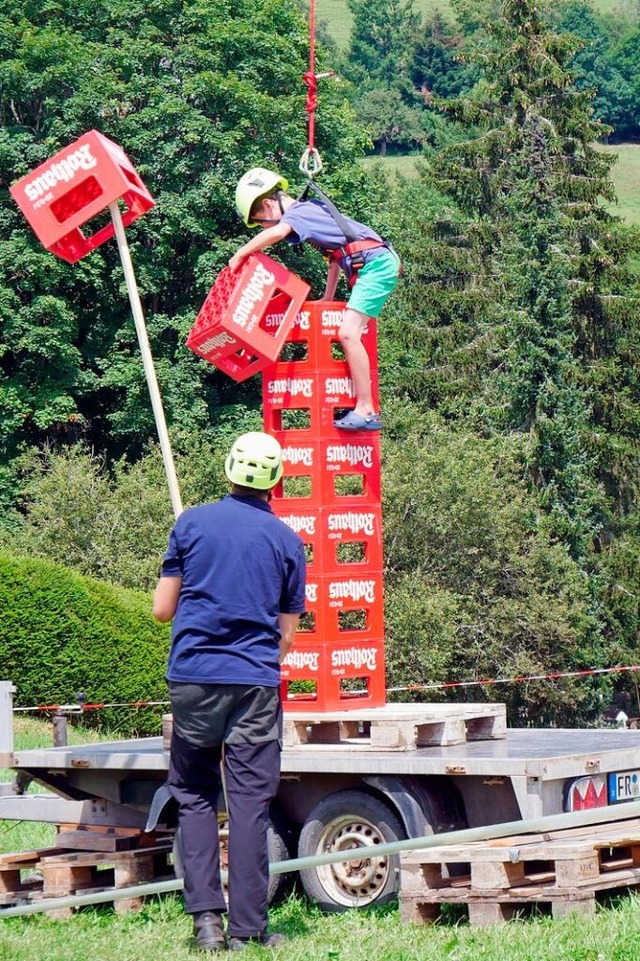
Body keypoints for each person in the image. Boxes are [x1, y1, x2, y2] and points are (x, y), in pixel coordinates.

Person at [153, 431, 306, 952]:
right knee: (248, 807)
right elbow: (286, 635)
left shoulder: (191, 524)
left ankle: (205, 926)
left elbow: (162, 610)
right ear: (276, 482)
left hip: (193, 678)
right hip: (254, 686)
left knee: (194, 797)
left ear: (228, 471)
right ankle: (248, 930)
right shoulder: (287, 542)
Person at [230, 167, 401, 432]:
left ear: (267, 204)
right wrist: (328, 297)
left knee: (348, 334)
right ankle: (360, 403)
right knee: (348, 332)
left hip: (376, 266)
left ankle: (366, 409)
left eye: (261, 222)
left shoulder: (299, 214)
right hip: (373, 265)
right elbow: (335, 258)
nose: (265, 227)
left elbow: (276, 233)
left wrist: (241, 253)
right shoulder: (310, 212)